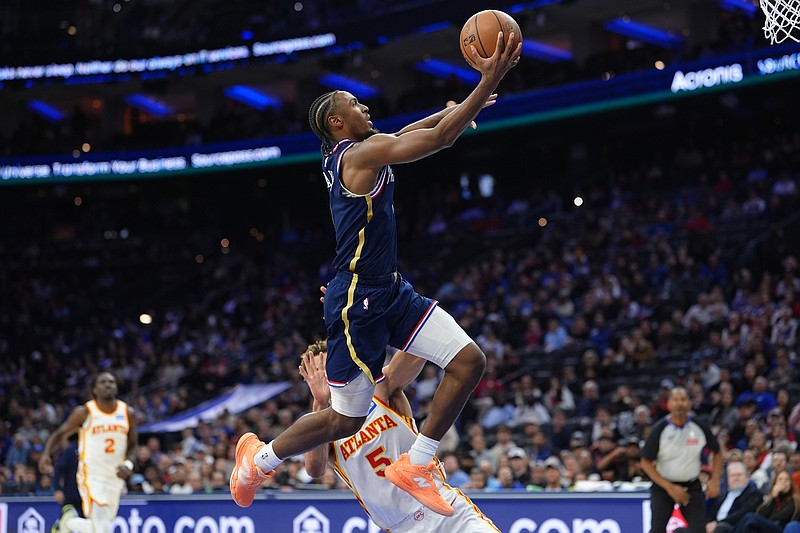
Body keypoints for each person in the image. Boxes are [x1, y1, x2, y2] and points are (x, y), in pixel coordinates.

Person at [230, 29, 522, 517]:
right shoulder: (355, 155)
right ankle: (257, 461)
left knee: (470, 362)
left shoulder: (359, 150)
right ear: (337, 122)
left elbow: (409, 134)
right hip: (357, 299)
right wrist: (484, 82)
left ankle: (418, 463)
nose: (367, 108)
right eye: (357, 105)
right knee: (344, 422)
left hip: (389, 290)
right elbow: (439, 140)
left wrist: (460, 106)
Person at [300, 341, 499, 532]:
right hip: (401, 527)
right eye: (317, 372)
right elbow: (315, 469)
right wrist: (319, 403)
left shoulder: (377, 386)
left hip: (443, 508)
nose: (325, 375)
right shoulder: (322, 425)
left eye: (328, 366)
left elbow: (416, 350)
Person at [39, 372, 138, 533]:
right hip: (91, 476)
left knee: (100, 527)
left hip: (115, 477)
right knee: (103, 527)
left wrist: (128, 464)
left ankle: (68, 523)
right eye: (103, 382)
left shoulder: (128, 413)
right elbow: (60, 433)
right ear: (94, 390)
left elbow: (133, 445)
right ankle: (68, 523)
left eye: (111, 382)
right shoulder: (84, 412)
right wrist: (46, 454)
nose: (108, 385)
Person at [640, 386, 722, 533]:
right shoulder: (659, 429)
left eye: (683, 399)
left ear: (689, 403)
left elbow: (717, 452)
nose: (679, 403)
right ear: (669, 404)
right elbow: (645, 463)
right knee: (657, 530)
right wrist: (670, 488)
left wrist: (715, 480)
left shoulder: (699, 426)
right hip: (663, 487)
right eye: (675, 400)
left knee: (698, 530)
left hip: (692, 486)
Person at [727, 470, 797, 532]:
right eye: (780, 479)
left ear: (791, 484)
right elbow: (760, 514)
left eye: (787, 480)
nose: (783, 482)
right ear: (775, 483)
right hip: (767, 527)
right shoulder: (772, 498)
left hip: (781, 528)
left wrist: (765, 521)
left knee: (750, 517)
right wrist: (773, 498)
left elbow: (781, 516)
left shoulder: (795, 500)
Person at [705, 461, 763, 532]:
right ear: (728, 479)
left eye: (739, 475)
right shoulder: (722, 496)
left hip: (736, 528)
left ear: (747, 477)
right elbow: (711, 514)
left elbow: (743, 513)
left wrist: (717, 523)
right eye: (733, 475)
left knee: (721, 528)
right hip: (715, 527)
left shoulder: (754, 494)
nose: (736, 478)